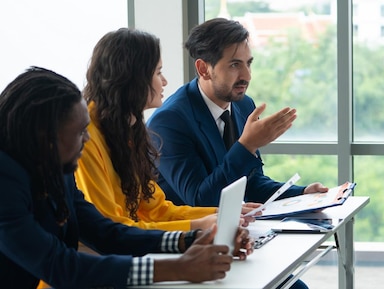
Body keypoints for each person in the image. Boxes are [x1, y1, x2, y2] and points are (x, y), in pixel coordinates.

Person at [0, 67, 253, 288]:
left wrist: (191, 240)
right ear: (46, 137)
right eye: (79, 132)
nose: (86, 139)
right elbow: (58, 264)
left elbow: (105, 233)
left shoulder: (55, 166)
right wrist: (175, 268)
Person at [75, 28, 258, 232]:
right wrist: (197, 226)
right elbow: (109, 227)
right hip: (103, 255)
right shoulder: (87, 136)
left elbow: (157, 210)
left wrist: (219, 213)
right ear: (132, 77)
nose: (164, 82)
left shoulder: (127, 129)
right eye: (158, 72)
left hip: (131, 244)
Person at [147, 17, 328, 207]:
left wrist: (303, 193)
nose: (247, 76)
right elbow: (201, 200)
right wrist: (247, 146)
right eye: (235, 65)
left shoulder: (243, 105)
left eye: (248, 63)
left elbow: (251, 184)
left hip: (228, 227)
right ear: (203, 69)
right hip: (186, 232)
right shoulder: (169, 122)